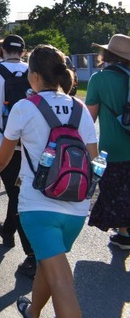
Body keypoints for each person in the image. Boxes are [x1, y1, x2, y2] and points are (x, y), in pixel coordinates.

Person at [0, 45, 97, 318]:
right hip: (76, 207)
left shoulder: (25, 107)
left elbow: (3, 156)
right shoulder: (79, 108)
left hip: (38, 206)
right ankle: (32, 311)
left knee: (62, 281)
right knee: (49, 263)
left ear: (33, 76)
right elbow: (93, 159)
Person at [0, 34, 36, 277]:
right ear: (23, 51)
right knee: (20, 192)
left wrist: (2, 121)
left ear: (1, 51)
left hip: (4, 142)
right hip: (32, 143)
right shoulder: (34, 71)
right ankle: (8, 229)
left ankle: (31, 253)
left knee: (16, 193)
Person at [86, 33, 130, 250]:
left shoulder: (99, 79)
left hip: (112, 148)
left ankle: (124, 234)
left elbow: (89, 118)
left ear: (107, 53)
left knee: (116, 191)